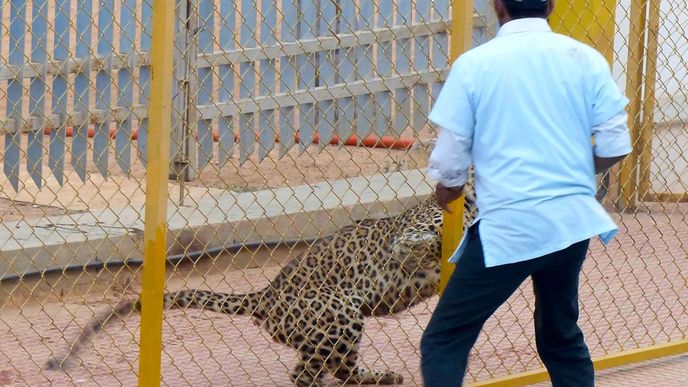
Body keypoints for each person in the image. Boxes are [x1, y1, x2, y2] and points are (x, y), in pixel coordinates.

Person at [420, 0, 632, 386]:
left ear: (498, 6)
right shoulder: (585, 59)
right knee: (560, 335)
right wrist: (571, 172)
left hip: (511, 225)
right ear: (550, 6)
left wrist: (447, 190)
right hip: (572, 221)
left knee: (444, 339)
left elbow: (451, 157)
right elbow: (615, 144)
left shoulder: (475, 65)